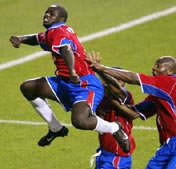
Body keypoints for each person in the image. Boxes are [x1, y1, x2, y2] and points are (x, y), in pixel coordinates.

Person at [9, 4, 130, 153]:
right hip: (64, 82)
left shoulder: (58, 31)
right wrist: (21, 39)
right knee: (28, 87)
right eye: (46, 13)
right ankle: (55, 128)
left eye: (51, 14)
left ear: (61, 19)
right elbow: (37, 38)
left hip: (84, 84)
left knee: (80, 121)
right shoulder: (53, 32)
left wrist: (72, 71)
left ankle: (114, 128)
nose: (46, 15)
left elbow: (66, 49)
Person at [91, 56, 176, 169]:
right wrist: (111, 97)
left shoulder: (170, 83)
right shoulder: (160, 95)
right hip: (166, 147)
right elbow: (133, 114)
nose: (153, 68)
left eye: (158, 66)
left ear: (170, 71)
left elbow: (134, 78)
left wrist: (102, 69)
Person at [87, 52, 136, 169]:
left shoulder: (125, 97)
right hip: (104, 152)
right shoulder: (100, 97)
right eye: (104, 79)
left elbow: (115, 90)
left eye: (108, 79)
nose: (104, 82)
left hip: (118, 155)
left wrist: (99, 70)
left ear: (120, 82)